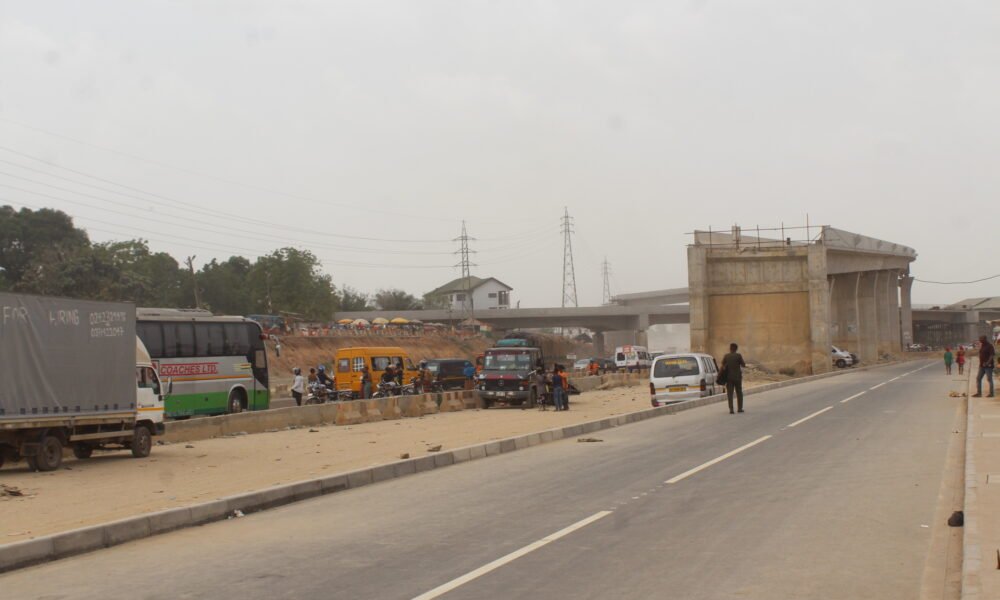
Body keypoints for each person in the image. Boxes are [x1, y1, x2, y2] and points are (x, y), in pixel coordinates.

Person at [721, 342, 746, 414]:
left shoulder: (726, 356)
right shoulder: (738, 356)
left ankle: (731, 409)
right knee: (739, 393)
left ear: (730, 348)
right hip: (737, 378)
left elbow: (722, 364)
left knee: (730, 394)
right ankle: (740, 408)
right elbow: (743, 365)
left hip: (729, 378)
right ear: (736, 349)